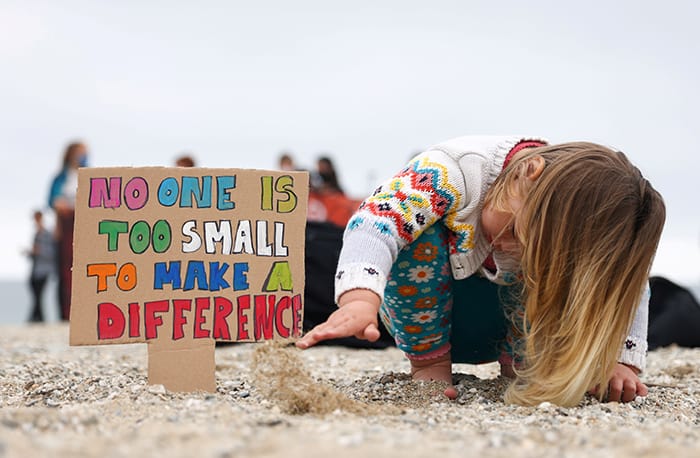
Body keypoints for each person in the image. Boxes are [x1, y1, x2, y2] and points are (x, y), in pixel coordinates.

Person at [297, 135, 665, 407]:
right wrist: (359, 299)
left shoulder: (568, 219)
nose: (511, 248)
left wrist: (621, 361)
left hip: (511, 330)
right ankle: (430, 368)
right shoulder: (453, 170)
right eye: (517, 232)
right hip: (426, 316)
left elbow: (629, 282)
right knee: (417, 236)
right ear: (528, 172)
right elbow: (376, 223)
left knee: (552, 271)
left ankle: (521, 368)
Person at [48, 141, 88, 321]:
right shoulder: (60, 177)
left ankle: (84, 310)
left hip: (84, 222)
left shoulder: (88, 174)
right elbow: (52, 200)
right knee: (66, 269)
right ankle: (66, 312)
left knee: (84, 266)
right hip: (66, 224)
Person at [25, 210, 55, 323]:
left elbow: (51, 253)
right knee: (35, 294)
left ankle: (36, 318)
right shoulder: (36, 233)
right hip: (35, 269)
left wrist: (38, 251)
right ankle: (38, 317)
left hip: (44, 270)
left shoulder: (46, 234)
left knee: (38, 295)